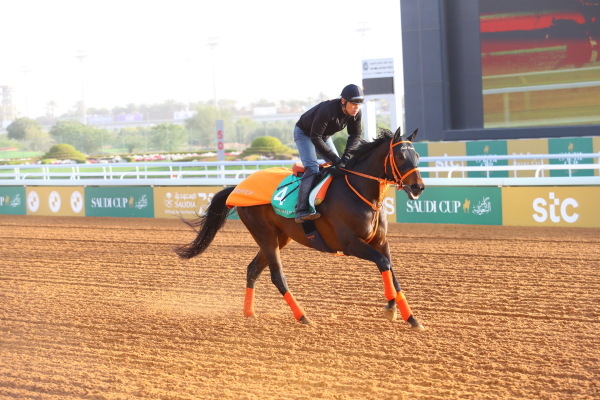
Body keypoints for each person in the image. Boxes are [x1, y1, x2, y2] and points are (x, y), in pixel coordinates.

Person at [293, 84, 364, 223]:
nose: (357, 107)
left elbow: (355, 135)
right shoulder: (327, 110)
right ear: (343, 101)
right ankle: (301, 210)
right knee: (312, 168)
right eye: (354, 103)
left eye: (359, 104)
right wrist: (335, 158)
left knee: (341, 167)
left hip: (323, 136)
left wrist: (345, 157)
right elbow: (315, 137)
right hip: (305, 133)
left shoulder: (356, 114)